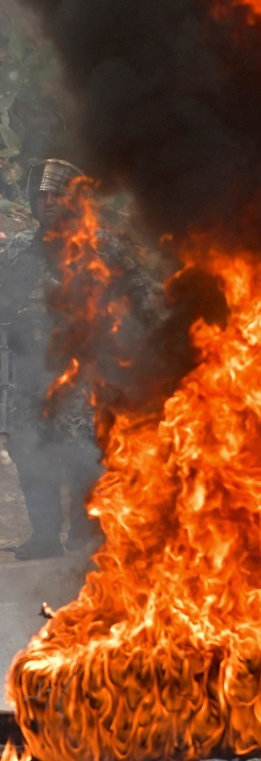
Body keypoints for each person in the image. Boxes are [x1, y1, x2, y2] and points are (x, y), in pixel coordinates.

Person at [2, 160, 102, 560]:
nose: (46, 203)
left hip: (76, 372)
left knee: (80, 454)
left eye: (55, 195)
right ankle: (44, 538)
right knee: (28, 451)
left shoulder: (93, 246)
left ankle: (86, 538)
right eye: (40, 195)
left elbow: (126, 299)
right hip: (29, 372)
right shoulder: (17, 247)